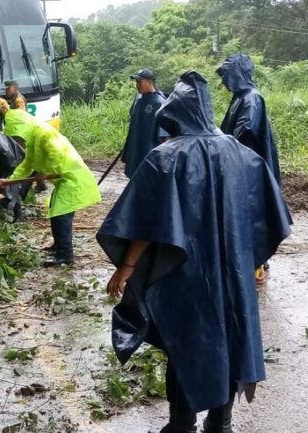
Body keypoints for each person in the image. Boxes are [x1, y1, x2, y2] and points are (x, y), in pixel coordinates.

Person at [98, 71, 291, 433]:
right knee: (231, 338)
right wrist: (248, 257)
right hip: (233, 272)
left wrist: (125, 267)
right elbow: (269, 217)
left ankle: (181, 424)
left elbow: (144, 221)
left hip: (186, 275)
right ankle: (221, 423)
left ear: (175, 114)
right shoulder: (242, 156)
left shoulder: (165, 157)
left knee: (186, 345)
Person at [0, 110, 101, 267]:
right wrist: (8, 181)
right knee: (55, 210)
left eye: (18, 137)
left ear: (22, 128)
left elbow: (55, 154)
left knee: (61, 214)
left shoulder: (44, 133)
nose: (18, 141)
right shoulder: (32, 139)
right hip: (63, 180)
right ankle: (59, 246)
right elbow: (27, 165)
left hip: (72, 177)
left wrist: (45, 172)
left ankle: (65, 256)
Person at [218, 54, 282, 185]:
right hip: (242, 160)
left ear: (236, 74)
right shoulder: (239, 97)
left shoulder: (251, 98)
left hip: (250, 162)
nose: (224, 81)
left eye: (226, 75)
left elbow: (245, 132)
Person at [122, 68, 169, 178]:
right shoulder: (138, 98)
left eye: (140, 82)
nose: (137, 85)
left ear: (150, 82)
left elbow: (165, 132)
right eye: (136, 82)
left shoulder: (160, 102)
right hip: (136, 147)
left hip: (149, 149)